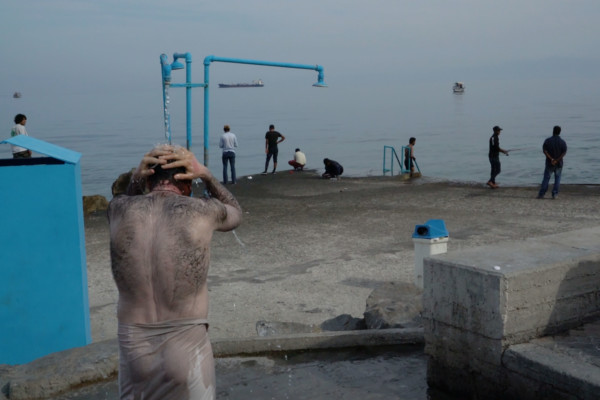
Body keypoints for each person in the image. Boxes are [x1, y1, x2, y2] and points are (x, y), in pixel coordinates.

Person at [107, 144, 242, 400]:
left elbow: (125, 197)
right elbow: (236, 212)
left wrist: (136, 178)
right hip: (187, 345)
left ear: (148, 180)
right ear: (188, 184)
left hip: (135, 348)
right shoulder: (203, 210)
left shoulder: (118, 209)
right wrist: (206, 175)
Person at [537, 126, 567, 199]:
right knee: (557, 179)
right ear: (559, 132)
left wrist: (551, 159)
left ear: (553, 131)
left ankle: (541, 194)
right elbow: (564, 152)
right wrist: (557, 160)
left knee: (546, 178)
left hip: (549, 163)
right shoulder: (562, 142)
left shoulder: (548, 140)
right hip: (559, 163)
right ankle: (554, 194)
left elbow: (544, 151)